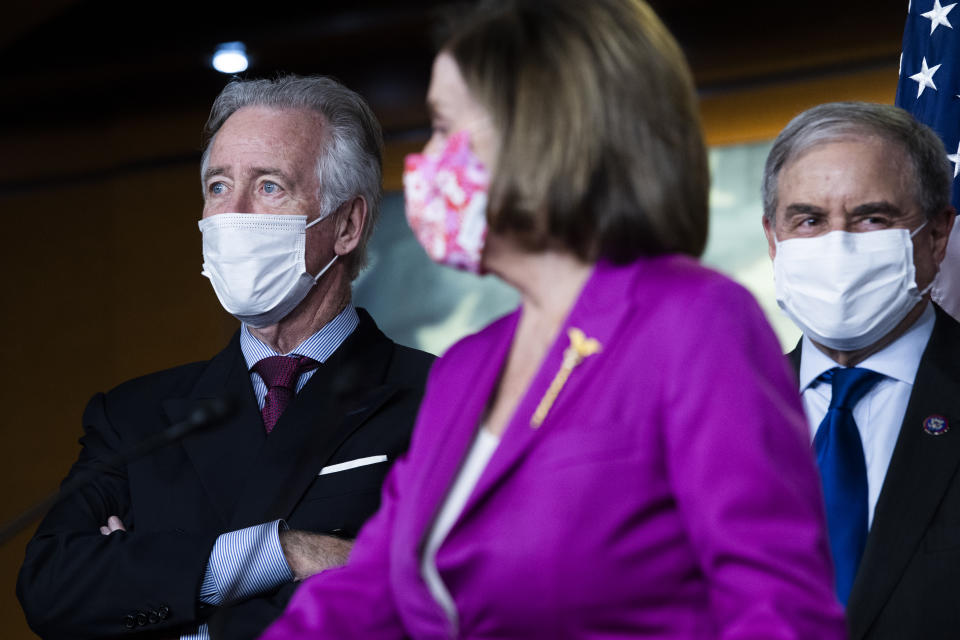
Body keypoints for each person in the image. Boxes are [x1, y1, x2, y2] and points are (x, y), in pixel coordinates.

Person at [261, 2, 845, 638]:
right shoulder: (467, 367)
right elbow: (376, 585)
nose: (424, 162)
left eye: (442, 126)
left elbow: (778, 611)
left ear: (542, 134)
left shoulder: (693, 324)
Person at [17, 75, 434, 640]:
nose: (230, 215)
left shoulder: (437, 396)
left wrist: (152, 570)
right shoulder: (136, 416)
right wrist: (285, 551)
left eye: (268, 187)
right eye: (217, 186)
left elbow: (432, 595)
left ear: (347, 225)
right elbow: (51, 586)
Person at [761, 101, 959, 639]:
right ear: (772, 239)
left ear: (937, 236)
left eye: (873, 218)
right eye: (809, 220)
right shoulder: (728, 413)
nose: (838, 245)